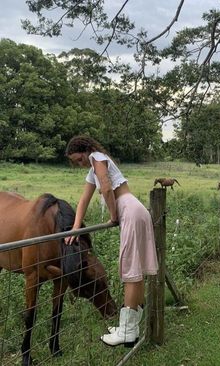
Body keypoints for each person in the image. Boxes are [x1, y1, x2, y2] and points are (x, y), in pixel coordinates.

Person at [65, 135, 158, 347]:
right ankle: (130, 327)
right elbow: (84, 199)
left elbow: (106, 189)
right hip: (134, 209)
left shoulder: (97, 158)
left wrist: (114, 215)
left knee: (130, 271)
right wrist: (76, 226)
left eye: (79, 159)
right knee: (135, 269)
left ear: (86, 150)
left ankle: (127, 331)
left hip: (128, 210)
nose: (79, 164)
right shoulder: (95, 166)